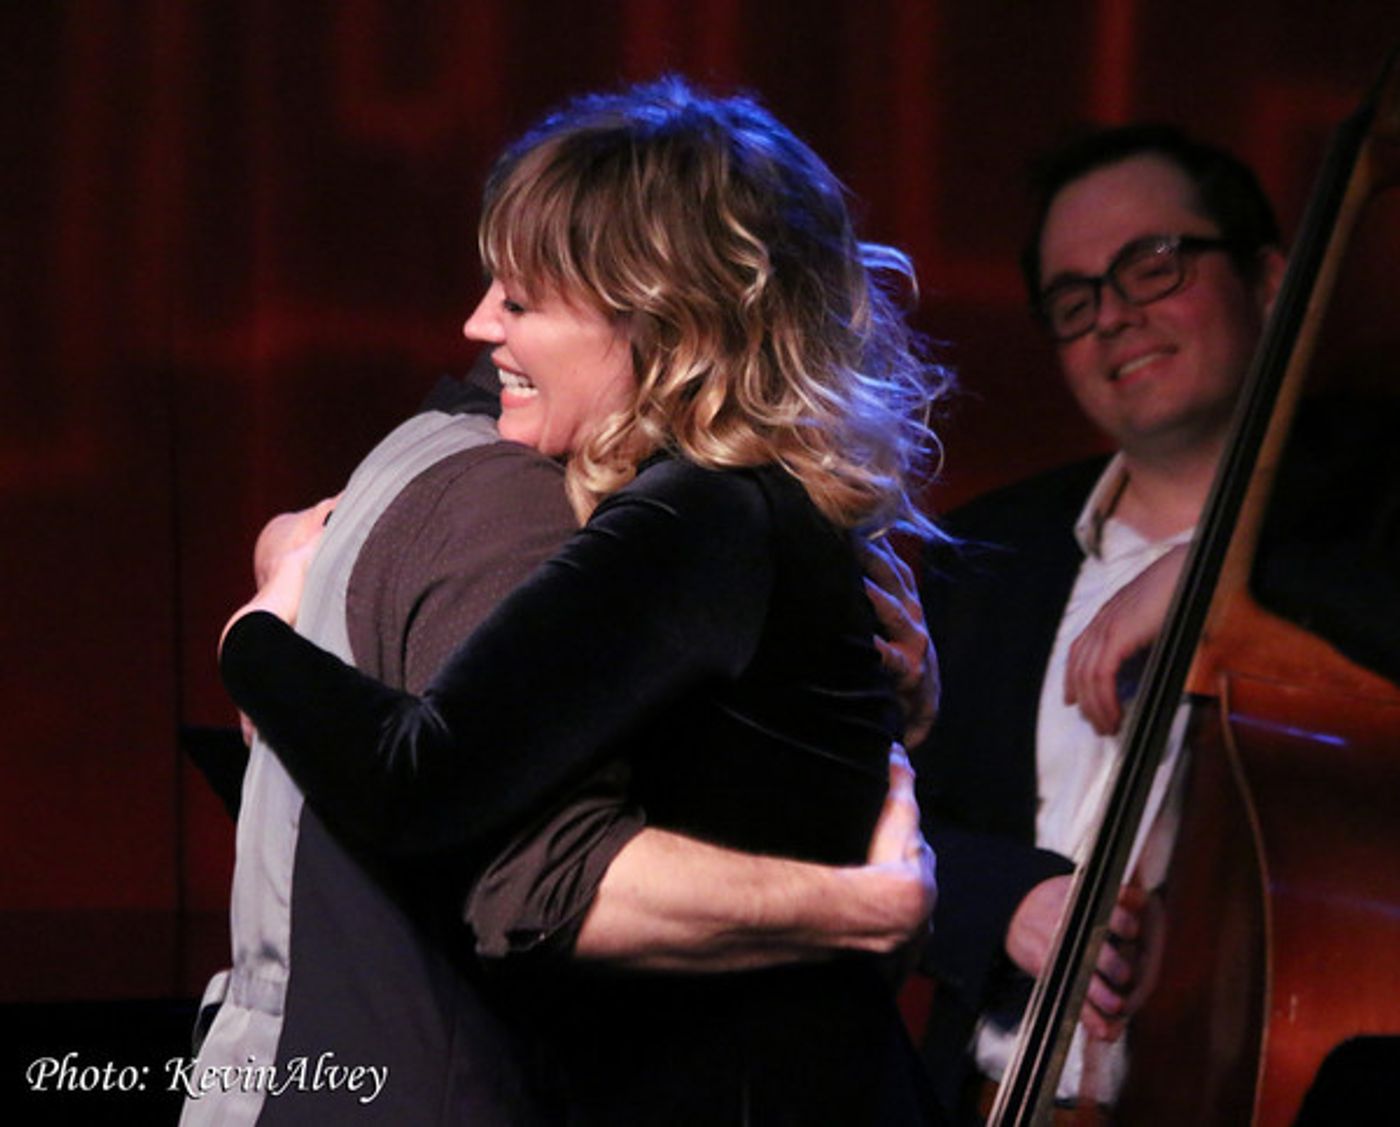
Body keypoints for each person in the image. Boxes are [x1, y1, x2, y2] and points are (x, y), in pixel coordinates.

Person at [214, 77, 949, 1125]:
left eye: (520, 302)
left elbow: (416, 783)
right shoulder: (754, 508)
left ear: (660, 316)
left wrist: (256, 635)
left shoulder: (699, 517)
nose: (477, 323)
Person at [910, 124, 1286, 1121]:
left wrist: (1211, 568)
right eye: (1075, 299)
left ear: (1267, 278)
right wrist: (1006, 900)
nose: (1114, 315)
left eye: (1153, 265)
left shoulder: (1360, 535)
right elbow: (873, 809)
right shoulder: (983, 553)